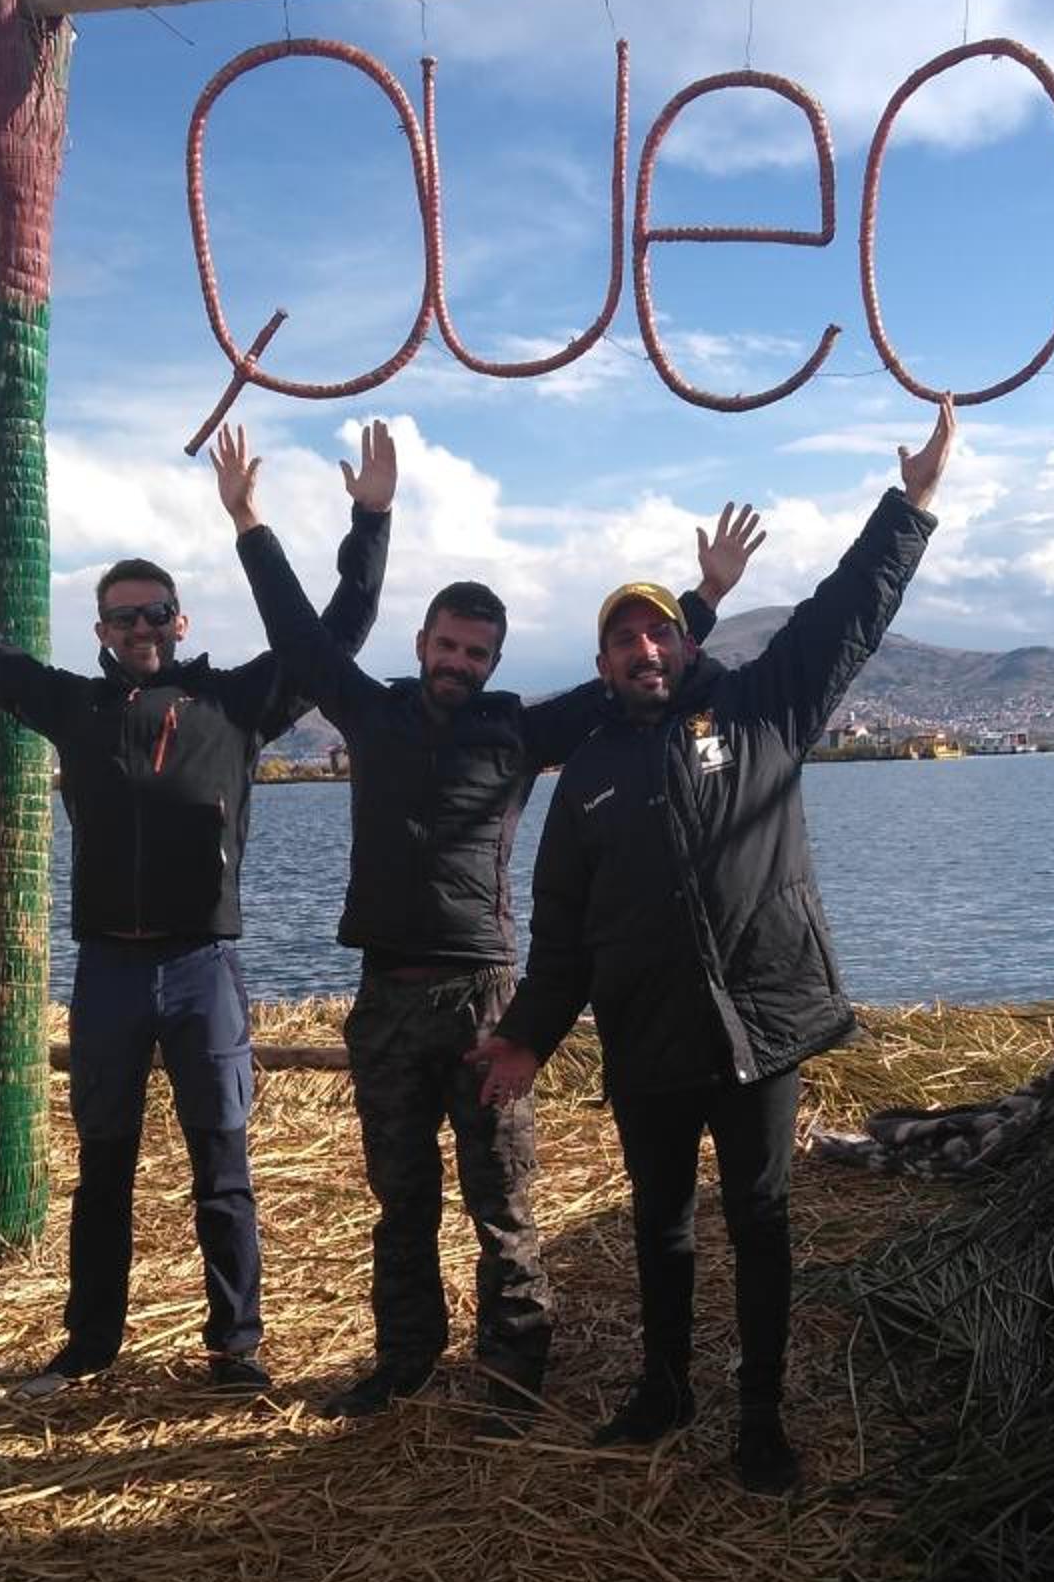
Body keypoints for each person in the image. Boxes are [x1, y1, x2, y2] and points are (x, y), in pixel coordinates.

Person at [211, 420, 764, 1428]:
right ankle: (404, 1360)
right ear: (422, 645)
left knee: (502, 1202)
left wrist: (705, 599)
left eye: (477, 653)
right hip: (386, 999)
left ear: (494, 660)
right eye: (447, 646)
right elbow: (298, 634)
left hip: (482, 1003)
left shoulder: (518, 730)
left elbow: (626, 674)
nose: (458, 663)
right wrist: (274, 519)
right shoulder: (368, 712)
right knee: (401, 1201)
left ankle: (513, 1370)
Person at [470, 404, 957, 1496]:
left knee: (762, 1221)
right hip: (648, 1039)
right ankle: (664, 1390)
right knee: (662, 1225)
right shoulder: (587, 776)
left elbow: (845, 614)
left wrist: (911, 504)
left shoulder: (761, 711)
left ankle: (762, 1416)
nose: (644, 649)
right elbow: (563, 935)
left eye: (658, 633)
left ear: (685, 644)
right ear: (603, 663)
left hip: (760, 1028)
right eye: (623, 639)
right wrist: (525, 1039)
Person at [0, 435, 395, 1396]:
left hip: (204, 966)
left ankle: (235, 1346)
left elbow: (338, 632)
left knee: (222, 1164)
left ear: (180, 618)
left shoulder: (237, 703)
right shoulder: (76, 708)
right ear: (102, 628)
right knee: (106, 1165)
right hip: (111, 972)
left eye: (156, 613)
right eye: (124, 617)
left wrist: (355, 520)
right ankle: (90, 1345)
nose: (142, 628)